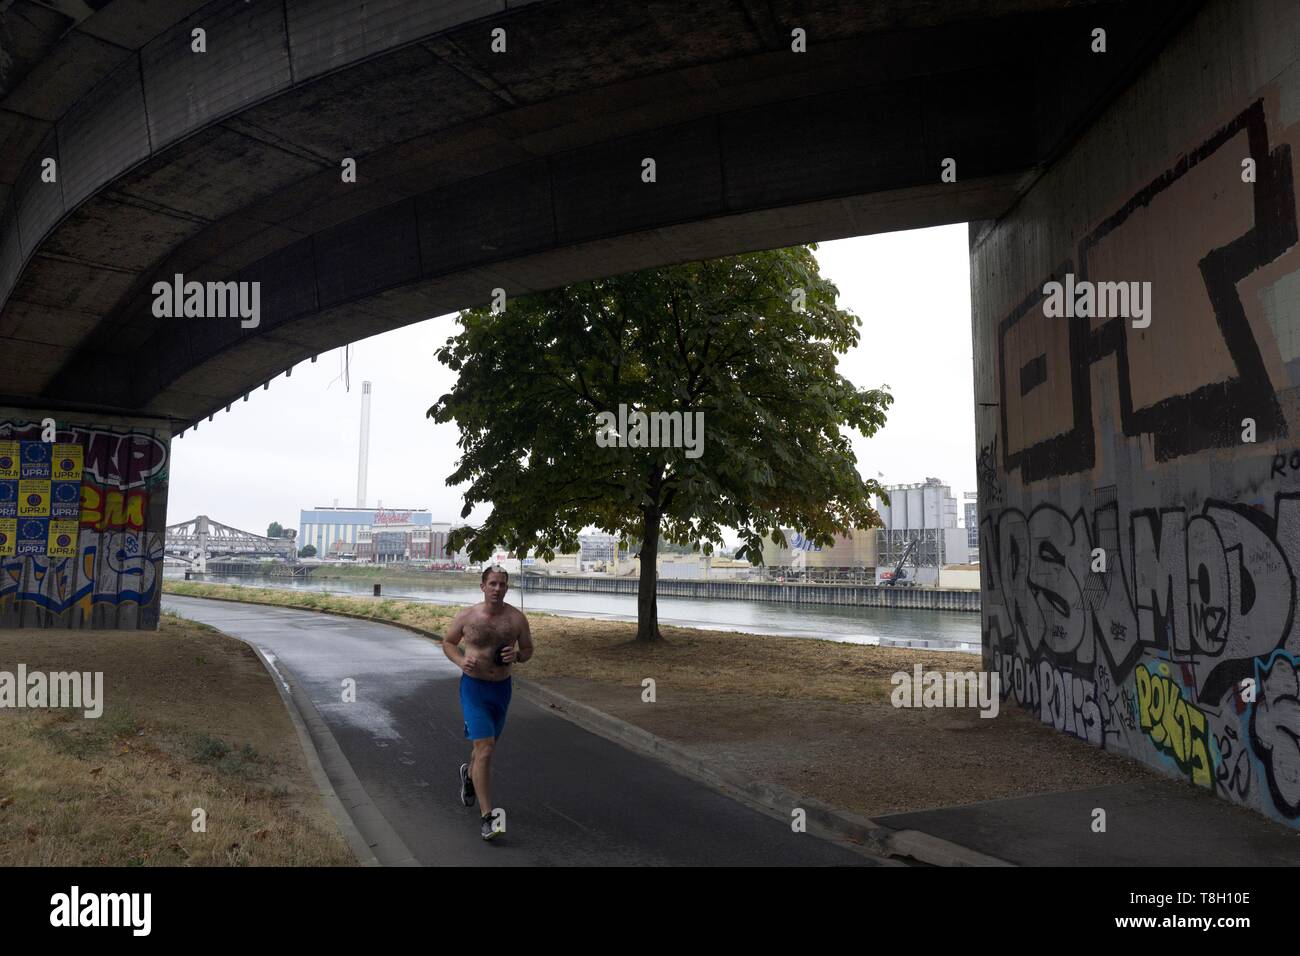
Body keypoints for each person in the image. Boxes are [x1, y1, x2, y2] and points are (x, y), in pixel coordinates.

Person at [441, 565, 533, 840]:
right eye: (492, 583)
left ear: (507, 587)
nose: (497, 589)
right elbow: (447, 642)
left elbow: (528, 649)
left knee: (484, 747)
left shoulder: (516, 619)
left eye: (502, 584)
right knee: (486, 748)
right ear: (483, 586)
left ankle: (468, 775)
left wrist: (516, 656)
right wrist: (460, 660)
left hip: (502, 690)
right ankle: (487, 817)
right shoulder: (468, 616)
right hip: (474, 688)